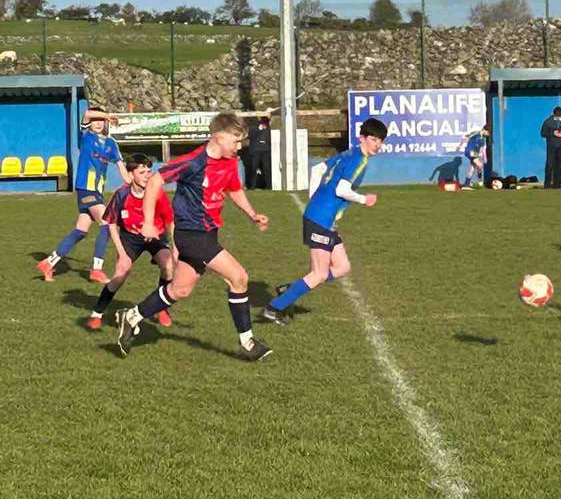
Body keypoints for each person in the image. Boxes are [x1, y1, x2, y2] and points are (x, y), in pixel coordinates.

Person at [113, 112, 271, 362]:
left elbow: (234, 189)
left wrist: (252, 214)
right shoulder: (194, 161)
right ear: (219, 137)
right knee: (239, 277)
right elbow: (154, 182)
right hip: (191, 234)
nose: (239, 146)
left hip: (208, 233)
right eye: (236, 140)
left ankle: (131, 316)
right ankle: (248, 342)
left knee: (180, 289)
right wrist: (148, 222)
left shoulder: (229, 161)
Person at [263, 118, 388, 325]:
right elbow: (341, 190)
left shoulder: (348, 154)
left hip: (323, 218)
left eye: (380, 141)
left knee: (342, 266)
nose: (377, 145)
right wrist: (364, 199)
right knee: (319, 274)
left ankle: (290, 289)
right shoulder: (358, 160)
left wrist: (315, 198)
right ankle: (273, 308)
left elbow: (317, 169)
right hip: (320, 220)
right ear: (362, 138)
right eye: (373, 139)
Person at [38, 106, 129, 283]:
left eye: (100, 121)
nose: (97, 123)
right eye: (95, 120)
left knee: (81, 231)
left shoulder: (111, 144)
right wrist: (108, 115)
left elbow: (121, 166)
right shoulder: (87, 137)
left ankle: (48, 263)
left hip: (97, 192)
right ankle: (96, 270)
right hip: (85, 189)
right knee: (106, 223)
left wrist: (132, 183)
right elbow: (87, 114)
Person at [87, 154, 175, 331]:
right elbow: (111, 223)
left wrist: (174, 248)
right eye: (142, 172)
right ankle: (97, 313)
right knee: (121, 272)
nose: (147, 176)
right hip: (130, 237)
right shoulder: (121, 194)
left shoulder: (157, 192)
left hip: (156, 236)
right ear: (130, 174)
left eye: (149, 172)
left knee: (168, 267)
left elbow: (169, 221)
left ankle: (162, 308)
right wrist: (122, 253)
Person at [540, 107, 561, 188]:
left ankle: (557, 184)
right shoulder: (548, 121)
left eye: (560, 115)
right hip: (551, 146)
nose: (559, 117)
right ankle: (547, 184)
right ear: (554, 114)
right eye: (557, 115)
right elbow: (543, 133)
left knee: (560, 165)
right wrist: (553, 133)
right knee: (550, 165)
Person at [246, 115, 273, 189]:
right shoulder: (254, 127)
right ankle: (252, 186)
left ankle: (268, 186)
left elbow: (271, 139)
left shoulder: (269, 129)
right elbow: (249, 136)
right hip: (256, 152)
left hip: (266, 151)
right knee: (254, 168)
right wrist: (259, 129)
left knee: (267, 169)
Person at [462, 125, 488, 189]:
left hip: (473, 153)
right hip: (470, 152)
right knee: (480, 165)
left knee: (472, 168)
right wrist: (463, 142)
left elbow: (482, 149)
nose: (488, 134)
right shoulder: (477, 134)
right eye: (488, 132)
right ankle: (480, 180)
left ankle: (466, 185)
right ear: (484, 130)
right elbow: (466, 137)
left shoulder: (482, 139)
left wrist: (484, 157)